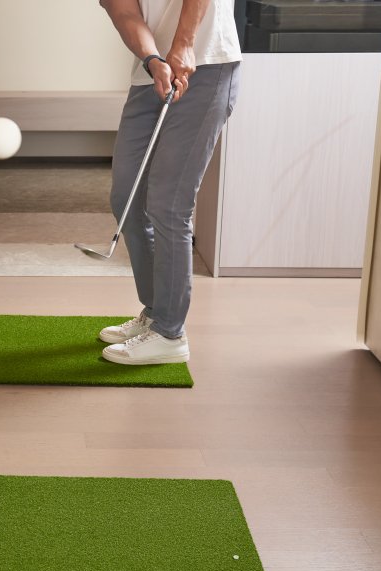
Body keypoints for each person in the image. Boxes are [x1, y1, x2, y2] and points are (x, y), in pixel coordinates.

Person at [96, 0, 241, 365]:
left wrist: (185, 41)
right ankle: (156, 311)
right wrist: (152, 59)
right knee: (126, 196)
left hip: (206, 63)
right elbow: (123, 10)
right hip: (153, 73)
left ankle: (169, 334)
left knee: (169, 204)